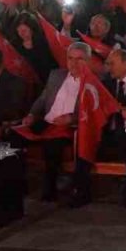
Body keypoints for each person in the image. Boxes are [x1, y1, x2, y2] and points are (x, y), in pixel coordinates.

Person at [71, 47, 126, 207]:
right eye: (108, 63)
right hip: (108, 131)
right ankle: (81, 191)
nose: (109, 67)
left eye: (112, 63)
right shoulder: (105, 85)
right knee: (85, 141)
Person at [18, 42, 91, 201]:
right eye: (70, 58)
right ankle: (15, 185)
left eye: (79, 59)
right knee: (13, 137)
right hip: (46, 121)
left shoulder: (93, 83)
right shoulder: (56, 75)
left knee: (52, 145)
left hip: (70, 127)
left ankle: (50, 189)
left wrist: (71, 118)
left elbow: (92, 112)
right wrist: (31, 114)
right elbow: (42, 99)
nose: (74, 63)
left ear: (88, 60)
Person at [10, 13, 57, 84]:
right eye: (18, 31)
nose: (21, 34)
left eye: (24, 30)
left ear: (32, 28)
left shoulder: (43, 42)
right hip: (26, 83)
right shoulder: (15, 45)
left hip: (46, 80)